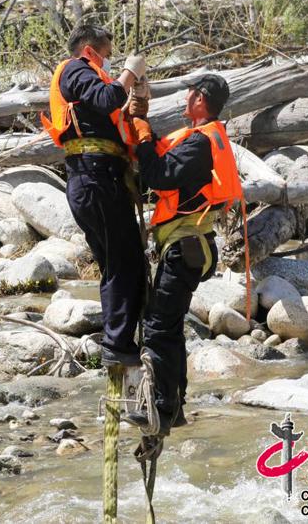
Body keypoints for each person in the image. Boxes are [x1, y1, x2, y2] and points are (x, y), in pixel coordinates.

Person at [127, 73, 243, 435]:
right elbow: (164, 158)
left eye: (189, 94)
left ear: (200, 101)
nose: (184, 99)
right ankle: (173, 406)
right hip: (189, 245)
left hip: (185, 246)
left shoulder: (200, 144)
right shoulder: (202, 139)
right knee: (170, 328)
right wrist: (140, 130)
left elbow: (159, 176)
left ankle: (161, 406)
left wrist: (144, 136)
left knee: (159, 328)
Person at [41, 24, 149, 366]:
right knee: (120, 262)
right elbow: (106, 99)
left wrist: (139, 98)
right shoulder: (75, 69)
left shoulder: (91, 79)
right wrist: (129, 74)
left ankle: (127, 337)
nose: (108, 61)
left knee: (129, 259)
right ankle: (117, 346)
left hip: (103, 179)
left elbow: (120, 119)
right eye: (106, 53)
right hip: (93, 179)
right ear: (90, 48)